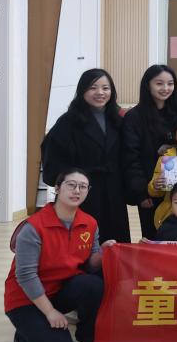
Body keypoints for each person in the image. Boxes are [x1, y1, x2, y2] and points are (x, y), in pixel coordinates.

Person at [4, 169, 112, 342]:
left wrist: (103, 253)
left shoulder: (89, 223)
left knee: (93, 284)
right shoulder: (33, 227)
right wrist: (50, 312)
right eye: (71, 185)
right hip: (26, 298)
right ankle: (23, 335)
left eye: (83, 186)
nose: (77, 190)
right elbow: (25, 275)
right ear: (57, 188)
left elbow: (89, 265)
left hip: (59, 290)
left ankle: (88, 334)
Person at [42, 68, 128, 244]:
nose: (100, 92)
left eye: (105, 88)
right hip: (82, 191)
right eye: (93, 88)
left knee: (115, 242)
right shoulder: (68, 121)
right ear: (82, 90)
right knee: (83, 241)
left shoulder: (118, 119)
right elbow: (52, 154)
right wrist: (66, 182)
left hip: (114, 191)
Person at [120, 64, 177, 241]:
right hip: (150, 191)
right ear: (148, 85)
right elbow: (130, 157)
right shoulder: (134, 117)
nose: (165, 88)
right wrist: (141, 192)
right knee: (153, 238)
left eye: (170, 83)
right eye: (159, 83)